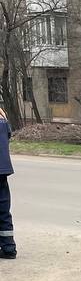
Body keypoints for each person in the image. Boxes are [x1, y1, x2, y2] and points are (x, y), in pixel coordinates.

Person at [0, 105, 15, 260]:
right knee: (3, 210)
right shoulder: (3, 118)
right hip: (3, 170)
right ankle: (9, 247)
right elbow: (8, 136)